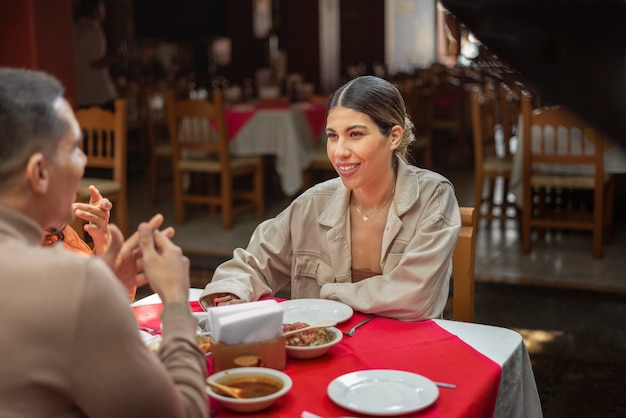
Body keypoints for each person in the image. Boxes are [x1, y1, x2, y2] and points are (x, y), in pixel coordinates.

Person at [0, 67, 208, 417]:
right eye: (75, 150)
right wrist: (175, 301)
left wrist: (107, 285)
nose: (83, 164)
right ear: (39, 172)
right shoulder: (72, 283)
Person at [199, 75, 461, 321]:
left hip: (406, 355)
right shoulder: (313, 204)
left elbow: (415, 297)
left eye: (355, 134)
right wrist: (232, 295)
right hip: (324, 353)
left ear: (393, 136)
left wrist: (330, 293)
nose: (339, 151)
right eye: (332, 136)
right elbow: (251, 264)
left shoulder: (432, 197)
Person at [74, 0, 127, 110]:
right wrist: (118, 57)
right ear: (95, 9)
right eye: (102, 6)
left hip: (83, 95)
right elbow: (94, 63)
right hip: (99, 94)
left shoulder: (77, 29)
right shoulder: (91, 31)